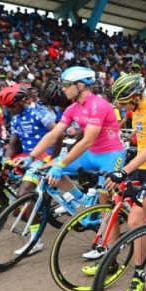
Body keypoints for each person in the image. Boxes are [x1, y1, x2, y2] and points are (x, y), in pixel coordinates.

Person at [22, 66, 126, 237]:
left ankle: (108, 248)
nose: (63, 88)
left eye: (66, 84)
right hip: (91, 155)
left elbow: (87, 140)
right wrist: (31, 156)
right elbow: (53, 134)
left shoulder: (98, 104)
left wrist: (61, 162)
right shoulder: (73, 108)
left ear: (81, 86)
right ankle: (81, 200)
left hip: (110, 155)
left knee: (104, 203)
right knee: (47, 167)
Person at [101, 74, 146, 291]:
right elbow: (137, 140)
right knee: (114, 198)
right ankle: (109, 258)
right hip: (141, 166)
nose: (121, 107)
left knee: (134, 220)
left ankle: (139, 274)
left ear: (135, 96)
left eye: (123, 102)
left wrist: (124, 171)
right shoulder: (135, 110)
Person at [0, 83, 56, 255]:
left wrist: (53, 157)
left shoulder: (39, 113)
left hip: (44, 156)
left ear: (23, 101)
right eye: (6, 107)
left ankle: (35, 240)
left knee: (24, 193)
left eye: (11, 106)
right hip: (28, 156)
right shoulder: (15, 118)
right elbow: (12, 144)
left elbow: (56, 132)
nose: (9, 110)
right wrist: (7, 158)